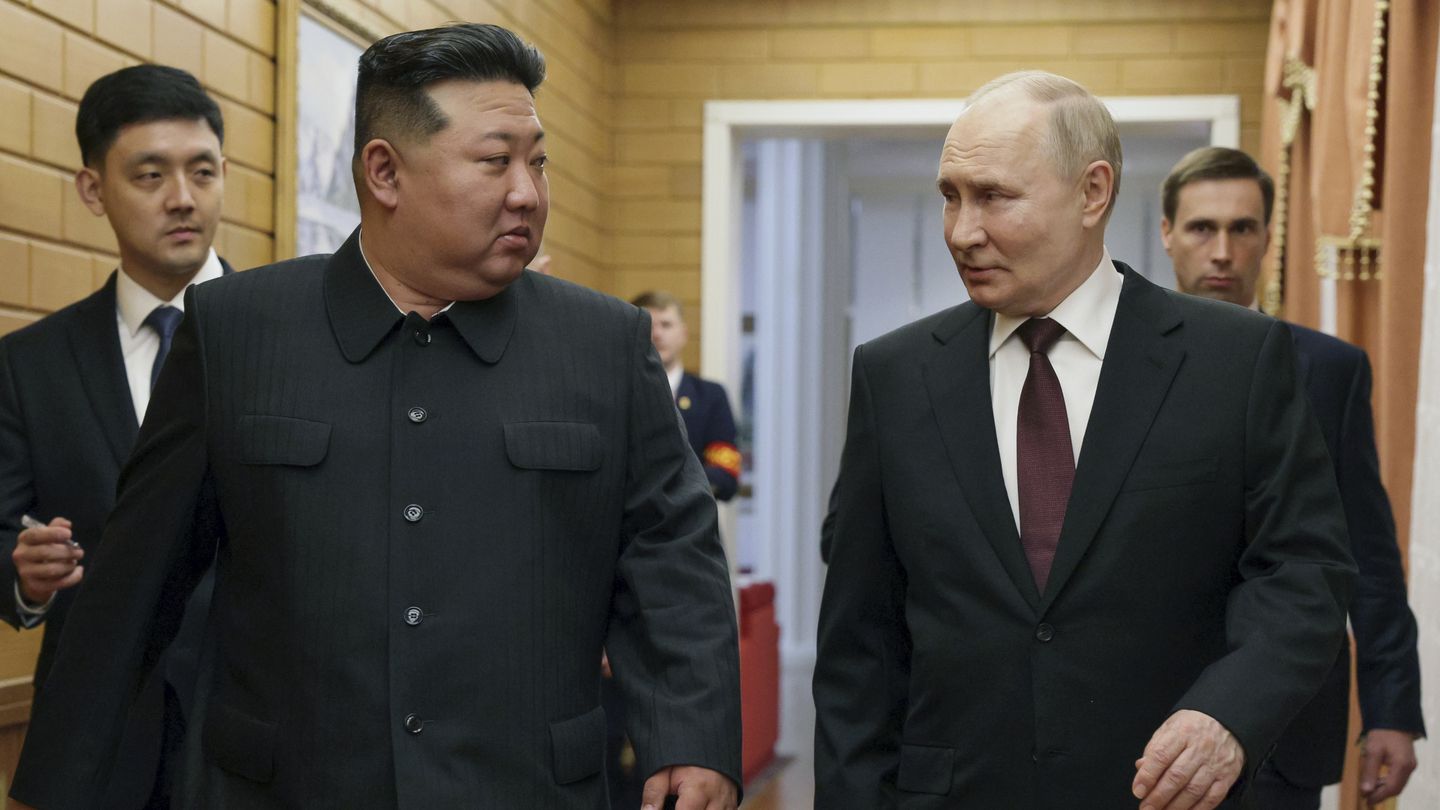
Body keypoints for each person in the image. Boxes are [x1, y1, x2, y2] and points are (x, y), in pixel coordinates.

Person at [9, 24, 740, 810]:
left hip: (525, 787)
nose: (527, 191)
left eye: (537, 160)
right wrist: (53, 786)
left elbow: (672, 556)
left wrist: (691, 738)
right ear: (384, 172)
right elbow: (132, 587)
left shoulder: (603, 344)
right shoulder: (238, 332)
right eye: (496, 161)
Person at [812, 70, 1355, 809]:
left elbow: (1302, 572)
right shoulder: (895, 376)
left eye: (994, 196)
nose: (962, 231)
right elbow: (860, 645)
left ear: (1092, 192)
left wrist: (1230, 712)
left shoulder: (1235, 361)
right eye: (950, 196)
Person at [1161, 145, 1425, 808]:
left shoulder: (1329, 370)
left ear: (1267, 239)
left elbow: (1365, 550)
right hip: (1148, 714)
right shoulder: (1105, 369)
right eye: (1201, 228)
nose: (1222, 251)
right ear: (1167, 235)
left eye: (1242, 229)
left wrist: (1391, 707)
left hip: (1288, 725)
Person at [0, 64, 229, 810]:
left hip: (253, 731)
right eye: (150, 174)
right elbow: (6, 532)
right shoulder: (30, 363)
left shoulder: (293, 338)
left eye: (202, 171)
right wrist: (25, 575)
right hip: (97, 739)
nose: (183, 198)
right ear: (93, 190)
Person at [631, 291, 741, 501]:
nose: (657, 334)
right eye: (648, 325)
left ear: (683, 334)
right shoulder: (618, 395)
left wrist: (661, 483)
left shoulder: (710, 396)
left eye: (666, 324)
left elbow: (726, 475)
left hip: (695, 524)